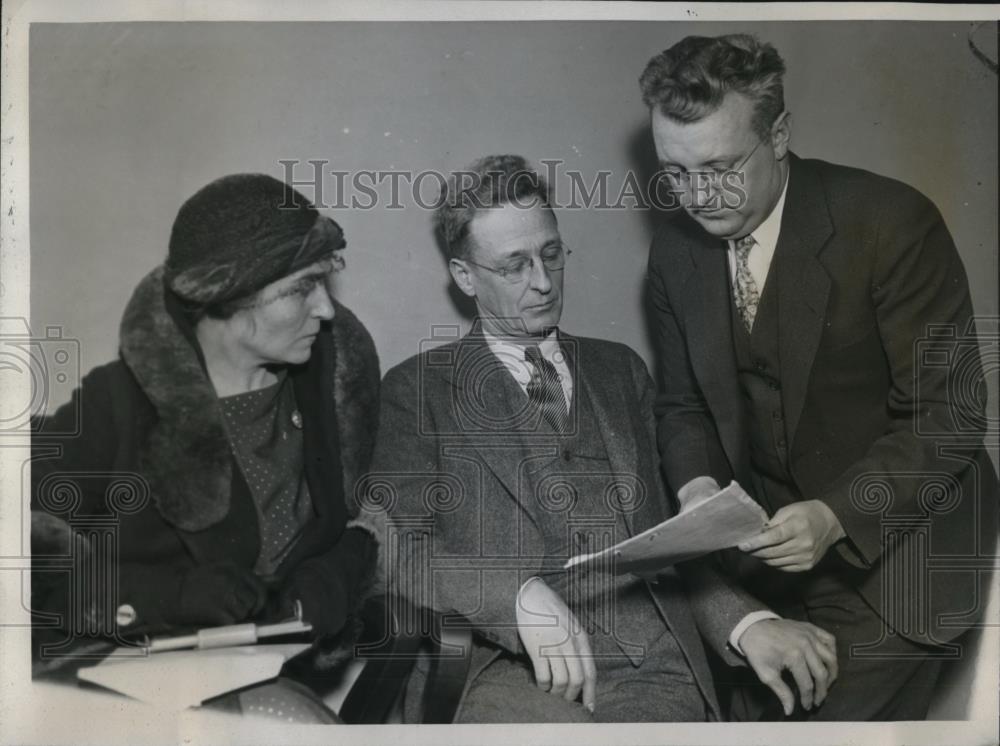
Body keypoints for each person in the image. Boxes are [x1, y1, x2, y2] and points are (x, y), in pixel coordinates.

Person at [361, 154, 837, 723]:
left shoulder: (621, 372)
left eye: (551, 254)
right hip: (506, 671)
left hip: (650, 668)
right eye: (514, 266)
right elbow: (393, 552)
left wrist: (748, 624)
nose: (541, 282)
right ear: (466, 277)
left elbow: (674, 543)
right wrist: (514, 596)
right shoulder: (417, 390)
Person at [639, 34, 998, 720]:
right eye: (674, 173)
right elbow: (681, 403)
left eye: (718, 166)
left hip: (904, 562)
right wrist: (696, 493)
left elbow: (949, 415)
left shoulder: (891, 223)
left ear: (778, 135)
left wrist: (836, 516)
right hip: (766, 567)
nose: (696, 196)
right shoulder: (673, 256)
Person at [30, 174, 381, 711]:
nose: (327, 309)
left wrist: (335, 576)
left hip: (265, 677)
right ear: (224, 295)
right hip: (121, 683)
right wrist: (165, 597)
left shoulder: (333, 390)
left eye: (325, 282)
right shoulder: (116, 404)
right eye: (300, 288)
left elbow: (363, 519)